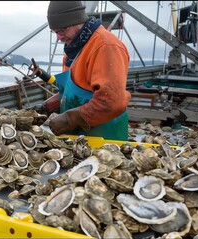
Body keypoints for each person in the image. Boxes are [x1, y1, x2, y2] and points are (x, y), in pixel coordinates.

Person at [34, 1, 131, 141]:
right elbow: (75, 91)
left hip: (106, 137)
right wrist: (47, 106)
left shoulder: (106, 45)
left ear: (76, 20)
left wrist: (69, 118)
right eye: (55, 32)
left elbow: (112, 102)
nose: (59, 38)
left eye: (62, 30)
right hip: (81, 137)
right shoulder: (73, 49)